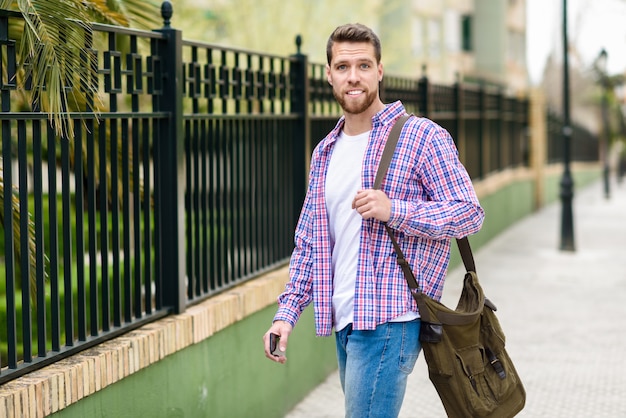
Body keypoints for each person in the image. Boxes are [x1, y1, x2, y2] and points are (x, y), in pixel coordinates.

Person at [263, 23, 484, 418]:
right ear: (328, 74)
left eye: (363, 65)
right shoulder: (325, 151)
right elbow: (310, 241)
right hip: (344, 320)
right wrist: (287, 314)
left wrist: (395, 210)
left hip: (390, 320)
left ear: (379, 71)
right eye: (343, 66)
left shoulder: (421, 137)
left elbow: (469, 212)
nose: (353, 76)